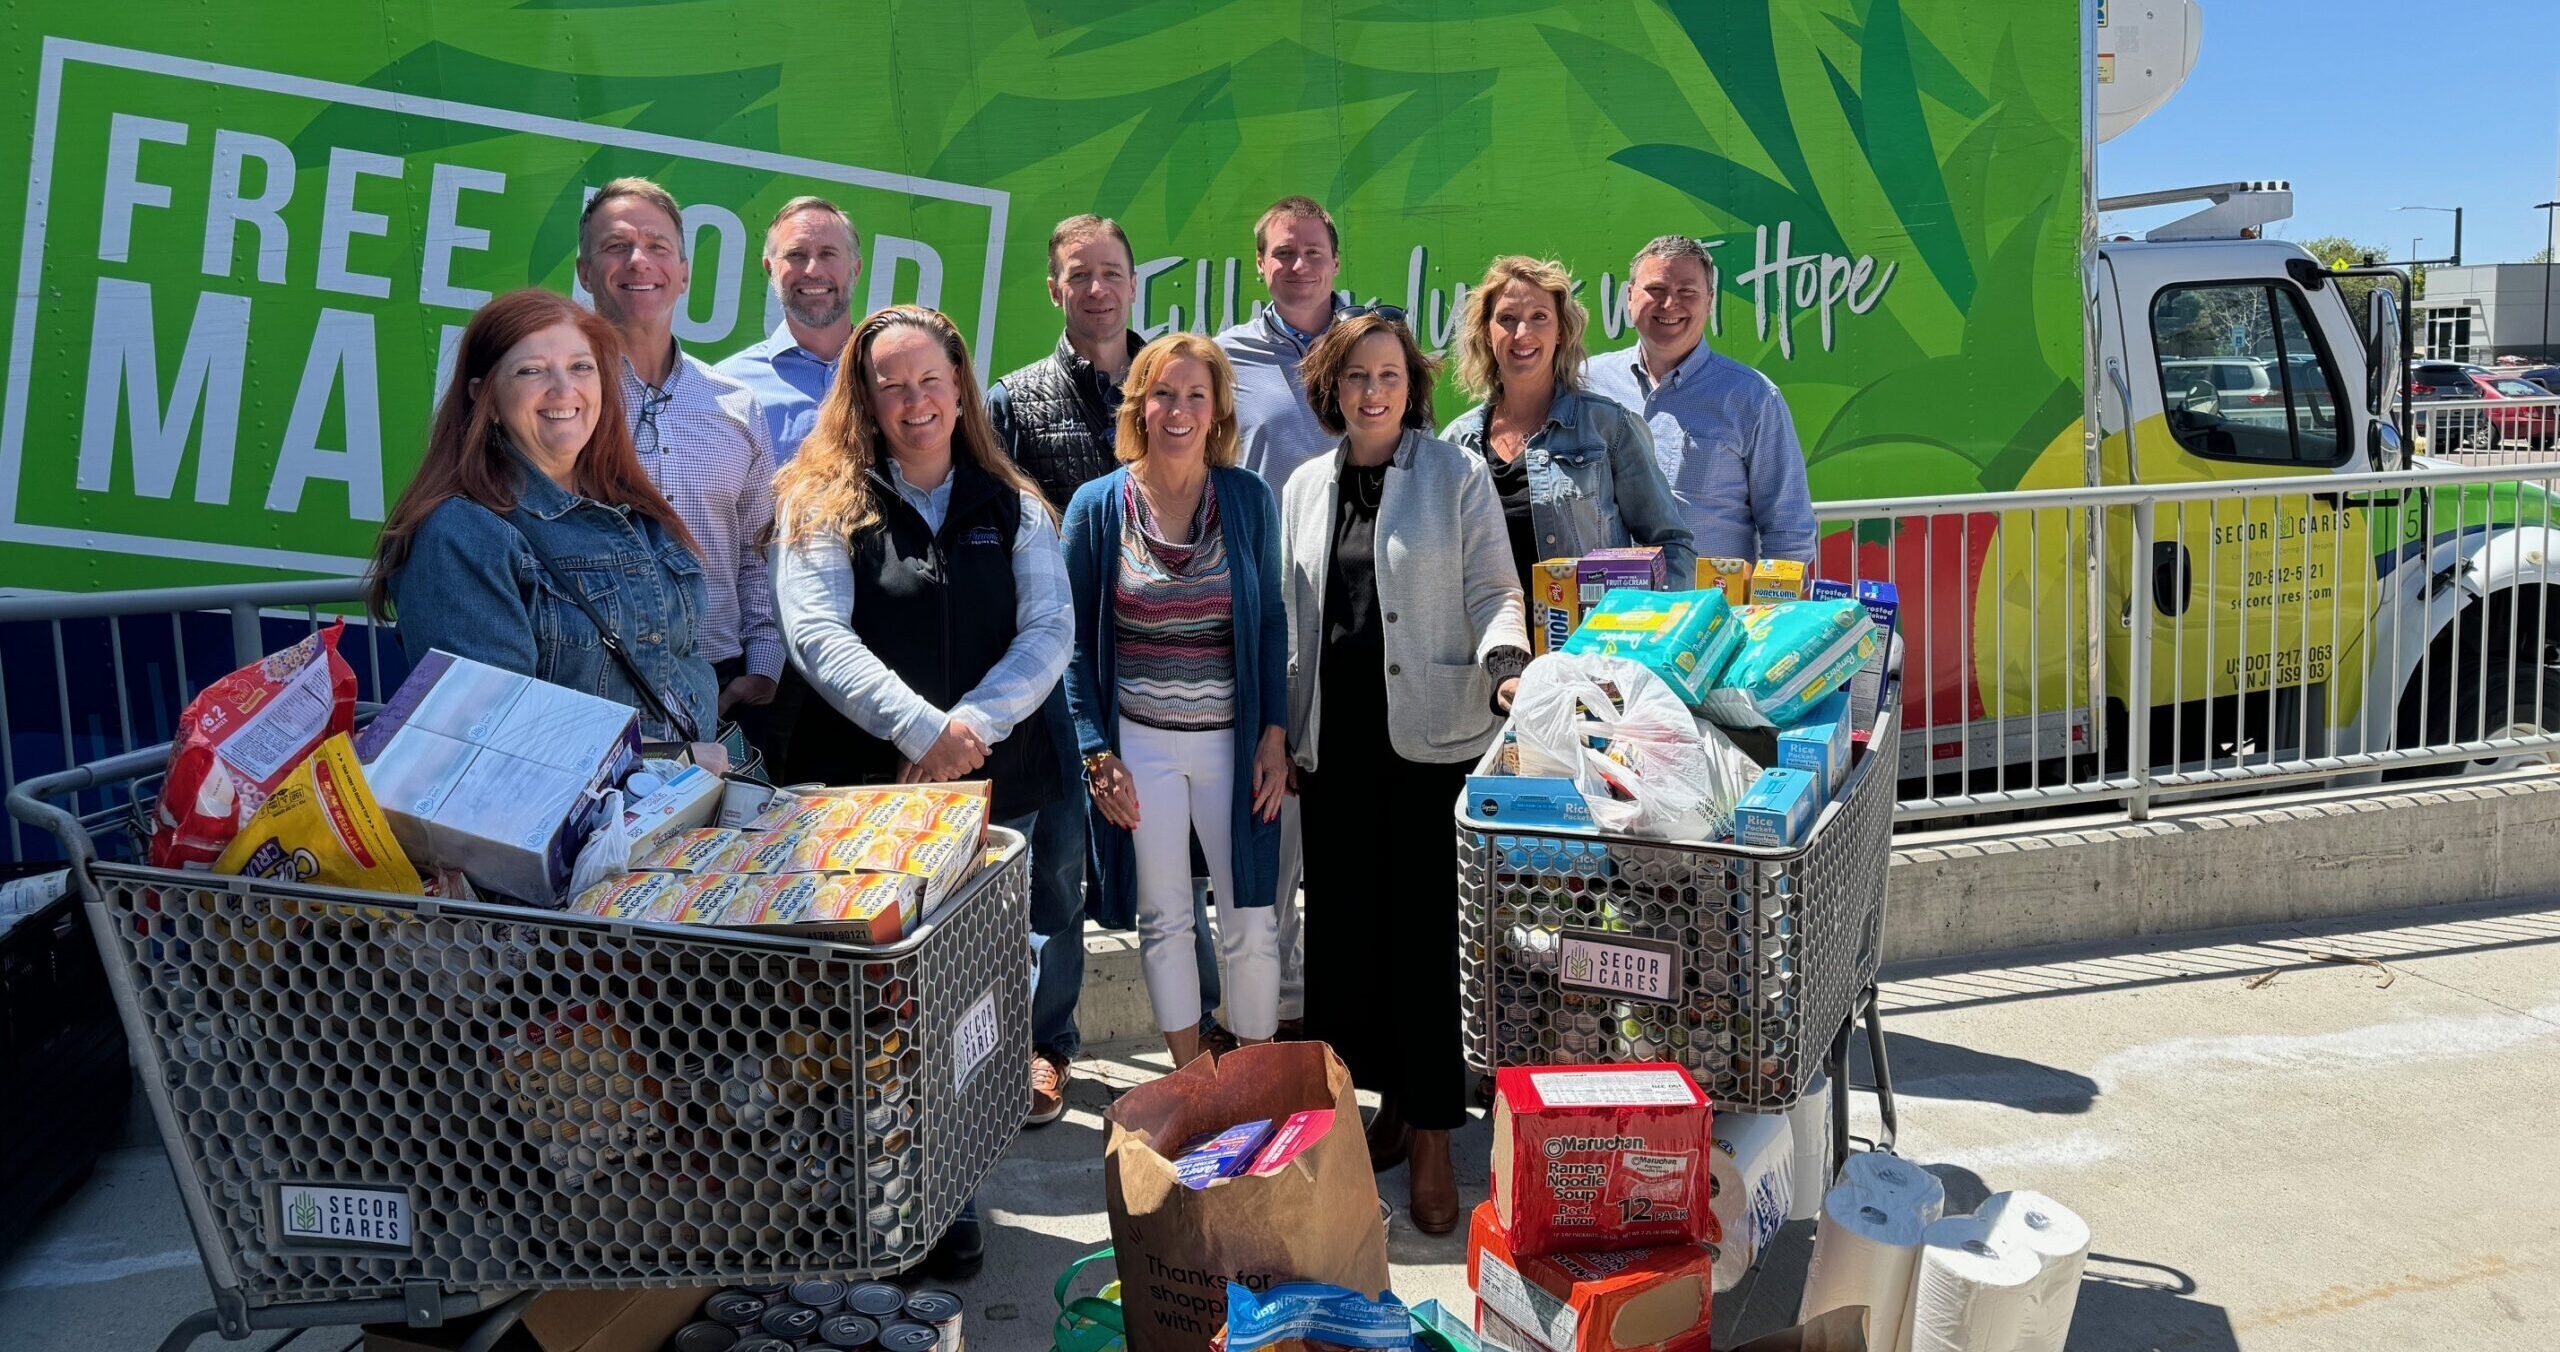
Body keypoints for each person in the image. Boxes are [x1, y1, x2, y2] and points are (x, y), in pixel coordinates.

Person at [772, 304, 1070, 1279]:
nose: (913, 401)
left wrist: (966, 732)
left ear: (960, 386)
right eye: (890, 383)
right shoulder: (820, 501)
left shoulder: (1014, 503)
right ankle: (849, 1203)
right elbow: (818, 636)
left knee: (968, 1014)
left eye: (929, 380)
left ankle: (947, 1196)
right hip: (855, 798)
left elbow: (1046, 637)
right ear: (862, 395)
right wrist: (918, 728)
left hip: (989, 796)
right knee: (847, 1015)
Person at [1278, 310, 1529, 1235]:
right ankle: (1371, 1111)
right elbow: (1296, 619)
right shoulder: (1306, 484)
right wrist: (1283, 730)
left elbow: (1495, 592)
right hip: (1334, 753)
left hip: (1431, 749)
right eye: (1354, 377)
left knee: (1425, 946)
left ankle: (1430, 1133)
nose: (1371, 392)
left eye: (1387, 375)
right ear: (1331, 388)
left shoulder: (1454, 476)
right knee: (1344, 948)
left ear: (1410, 386)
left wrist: (1506, 666)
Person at [988, 215, 1234, 1121]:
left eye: (1112, 273)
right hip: (1061, 671)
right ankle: (1047, 1045)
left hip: (1177, 671)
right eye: (1078, 275)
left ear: (1136, 282)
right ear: (1053, 288)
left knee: (1187, 864)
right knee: (1052, 862)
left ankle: (1206, 1031)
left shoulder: (1174, 378)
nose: (1097, 289)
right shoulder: (1015, 400)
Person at [1061, 333, 1288, 1070]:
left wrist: (1275, 734)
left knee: (1252, 919)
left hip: (1235, 740)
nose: (1179, 409)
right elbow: (1070, 645)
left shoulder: (1248, 499)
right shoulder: (1098, 508)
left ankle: (1250, 1083)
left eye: (1197, 394)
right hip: (1141, 742)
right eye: (1164, 393)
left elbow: (1271, 620)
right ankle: (1192, 1081)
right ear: (1140, 404)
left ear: (1219, 407)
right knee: (1163, 918)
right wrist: (1097, 753)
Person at [369, 288, 719, 757]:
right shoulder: (463, 533)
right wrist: (668, 756)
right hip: (569, 822)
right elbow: (489, 728)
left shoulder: (637, 510)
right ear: (486, 398)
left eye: (581, 367)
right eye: (531, 371)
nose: (563, 389)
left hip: (681, 804)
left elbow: (680, 662)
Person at [575, 178, 783, 753]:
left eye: (658, 246)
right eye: (615, 246)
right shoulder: (561, 403)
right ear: (585, 272)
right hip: (595, 680)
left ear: (685, 272)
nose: (639, 260)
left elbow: (756, 548)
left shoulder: (735, 406)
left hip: (722, 684)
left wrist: (763, 664)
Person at [1216, 194, 1350, 1040]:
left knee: (1341, 823)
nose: (1296, 266)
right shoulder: (1225, 358)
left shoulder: (1370, 347)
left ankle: (1337, 1009)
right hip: (1264, 614)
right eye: (1280, 254)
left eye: (1311, 252)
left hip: (1363, 612)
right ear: (1259, 265)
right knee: (1270, 820)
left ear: (1336, 262)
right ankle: (1272, 1014)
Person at [1442, 255, 1696, 589]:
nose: (1522, 333)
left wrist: (1641, 624)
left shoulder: (1609, 427)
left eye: (1539, 317)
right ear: (1487, 333)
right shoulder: (1457, 445)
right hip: (1490, 640)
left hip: (1588, 639)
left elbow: (1672, 544)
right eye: (1507, 318)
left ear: (1561, 331)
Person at [1583, 235, 1817, 562]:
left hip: (1715, 610)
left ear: (1709, 301)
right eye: (1656, 290)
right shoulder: (1586, 384)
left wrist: (1771, 609)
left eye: (1687, 292)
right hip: (1612, 608)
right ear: (1630, 296)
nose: (1670, 304)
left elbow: (1787, 529)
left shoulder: (1753, 397)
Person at [716, 196, 861, 463]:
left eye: (828, 254)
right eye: (796, 255)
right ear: (770, 269)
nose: (812, 269)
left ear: (856, 269)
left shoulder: (892, 373)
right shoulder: (726, 389)